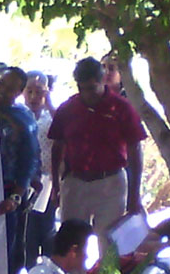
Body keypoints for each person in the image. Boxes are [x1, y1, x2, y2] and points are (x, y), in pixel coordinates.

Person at [48, 57, 147, 254]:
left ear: (103, 81)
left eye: (92, 88)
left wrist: (134, 195)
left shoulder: (121, 108)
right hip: (75, 182)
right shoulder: (68, 109)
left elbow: (135, 149)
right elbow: (57, 147)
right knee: (72, 242)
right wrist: (56, 187)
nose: (87, 94)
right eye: (82, 88)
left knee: (110, 244)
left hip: (111, 182)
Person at [0, 65, 40, 274]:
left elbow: (28, 162)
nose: (1, 90)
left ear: (18, 93)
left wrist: (16, 197)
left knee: (4, 255)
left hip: (5, 196)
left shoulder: (22, 120)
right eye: (0, 83)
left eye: (9, 88)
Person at [23, 71, 57, 268]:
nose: (34, 97)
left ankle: (48, 272)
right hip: (24, 183)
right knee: (27, 234)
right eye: (29, 91)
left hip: (48, 183)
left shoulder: (51, 117)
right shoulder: (19, 115)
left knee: (47, 230)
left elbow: (64, 132)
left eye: (39, 91)